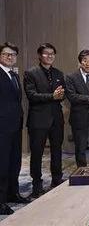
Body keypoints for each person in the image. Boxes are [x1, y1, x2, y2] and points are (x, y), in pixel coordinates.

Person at [24, 43, 66, 198]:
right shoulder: (31, 73)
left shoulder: (58, 73)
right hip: (38, 119)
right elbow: (32, 95)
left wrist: (60, 95)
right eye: (46, 53)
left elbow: (63, 94)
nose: (50, 56)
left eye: (52, 54)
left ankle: (57, 179)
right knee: (37, 153)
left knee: (57, 150)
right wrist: (52, 96)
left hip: (56, 118)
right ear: (39, 55)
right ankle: (36, 184)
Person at [0, 42, 30, 215]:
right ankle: (1, 200)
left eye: (13, 54)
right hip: (2, 126)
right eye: (6, 54)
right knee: (2, 163)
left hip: (15, 125)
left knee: (14, 161)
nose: (10, 57)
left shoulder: (14, 75)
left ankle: (13, 193)